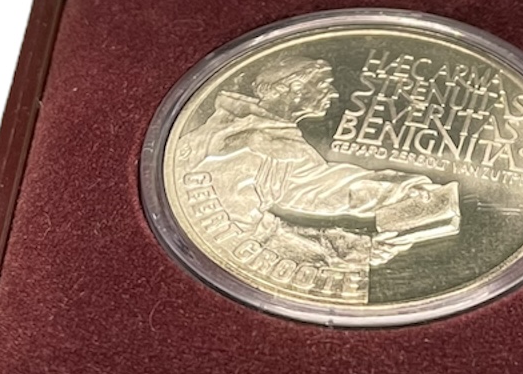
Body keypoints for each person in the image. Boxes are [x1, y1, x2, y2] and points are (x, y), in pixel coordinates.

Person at [175, 55, 460, 278]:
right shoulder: (258, 142)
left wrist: (402, 190)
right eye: (323, 85)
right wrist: (352, 249)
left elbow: (324, 186)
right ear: (293, 88)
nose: (333, 94)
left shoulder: (255, 130)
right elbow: (247, 233)